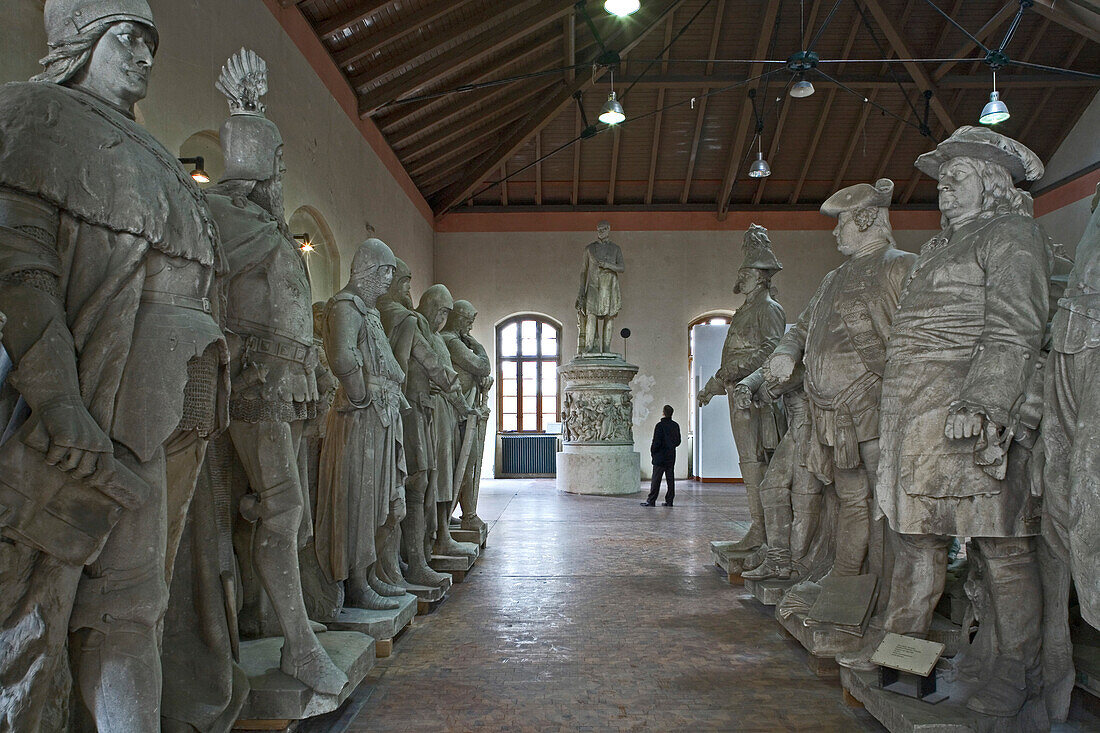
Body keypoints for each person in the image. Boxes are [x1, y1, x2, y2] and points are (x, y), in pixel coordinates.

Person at [642, 405, 681, 507]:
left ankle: (651, 500)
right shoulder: (675, 425)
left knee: (656, 480)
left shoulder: (660, 426)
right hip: (671, 456)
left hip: (660, 456)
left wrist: (653, 452)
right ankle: (669, 501)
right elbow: (678, 441)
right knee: (670, 479)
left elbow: (656, 442)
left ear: (663, 413)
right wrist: (671, 446)